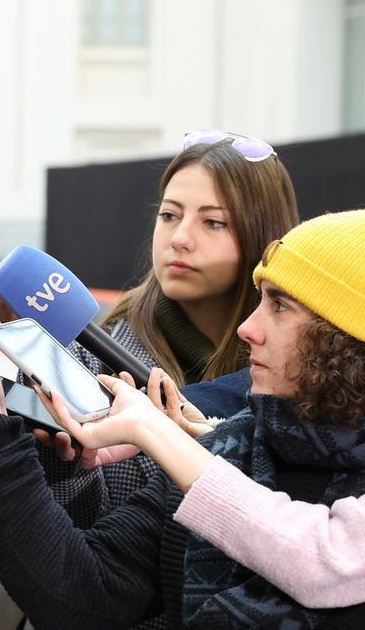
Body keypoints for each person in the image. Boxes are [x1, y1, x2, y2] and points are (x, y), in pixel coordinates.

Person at [0, 199, 365, 627]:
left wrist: (159, 435)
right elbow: (83, 597)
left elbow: (319, 558)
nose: (248, 329)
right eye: (168, 214)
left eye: (280, 306)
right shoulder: (236, 445)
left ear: (351, 340)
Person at [41, 131, 300, 528]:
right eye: (169, 215)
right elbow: (86, 530)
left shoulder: (296, 365)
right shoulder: (95, 350)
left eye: (213, 222)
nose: (179, 239)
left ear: (263, 235)